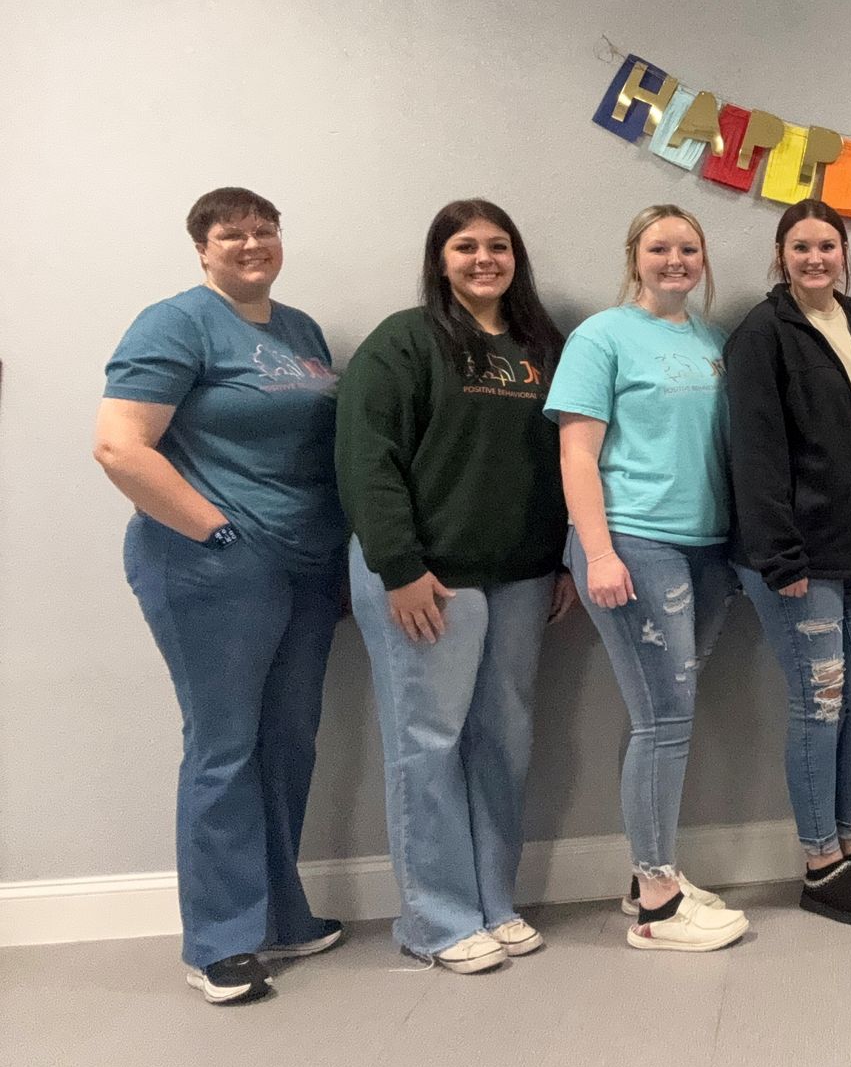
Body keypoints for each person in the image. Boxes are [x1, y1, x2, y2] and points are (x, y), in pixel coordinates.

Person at [94, 187, 347, 1005]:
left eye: (264, 230)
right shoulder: (175, 323)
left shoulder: (300, 330)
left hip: (305, 564)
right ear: (201, 248)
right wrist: (218, 533)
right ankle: (219, 942)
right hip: (210, 563)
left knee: (288, 742)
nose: (250, 244)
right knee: (225, 746)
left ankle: (279, 914)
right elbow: (119, 446)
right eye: (230, 233)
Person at [335, 199, 573, 974]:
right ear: (440, 260)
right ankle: (433, 920)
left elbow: (566, 461)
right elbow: (365, 458)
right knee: (427, 746)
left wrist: (562, 559)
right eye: (465, 246)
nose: (483, 259)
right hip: (427, 577)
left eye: (498, 246)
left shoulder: (542, 347)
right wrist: (399, 568)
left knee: (504, 742)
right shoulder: (403, 341)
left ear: (516, 258)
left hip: (521, 576)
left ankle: (492, 902)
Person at [547, 204, 750, 951]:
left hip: (709, 549)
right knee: (661, 719)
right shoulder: (601, 337)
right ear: (635, 256)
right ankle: (659, 903)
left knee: (671, 715)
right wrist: (599, 553)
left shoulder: (714, 341)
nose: (675, 260)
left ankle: (650, 877)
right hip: (634, 543)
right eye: (660, 248)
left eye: (689, 249)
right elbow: (576, 453)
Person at [725, 199, 851, 925]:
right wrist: (780, 555)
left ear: (844, 254)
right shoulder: (761, 334)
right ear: (781, 256)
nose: (815, 258)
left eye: (827, 246)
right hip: (796, 555)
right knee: (822, 699)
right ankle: (818, 865)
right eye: (801, 247)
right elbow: (754, 450)